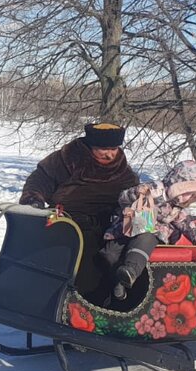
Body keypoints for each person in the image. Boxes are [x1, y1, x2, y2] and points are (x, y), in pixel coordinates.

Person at [19, 122, 139, 294]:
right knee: (85, 257)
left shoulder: (122, 169)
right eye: (103, 149)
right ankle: (73, 299)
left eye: (114, 149)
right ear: (91, 145)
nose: (110, 155)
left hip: (110, 224)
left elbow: (134, 195)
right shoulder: (68, 158)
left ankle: (110, 300)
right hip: (70, 220)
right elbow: (40, 179)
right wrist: (33, 200)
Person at [101, 159, 196, 302]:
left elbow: (188, 225)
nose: (187, 197)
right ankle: (116, 284)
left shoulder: (177, 210)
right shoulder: (154, 189)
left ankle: (131, 270)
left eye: (192, 195)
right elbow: (123, 198)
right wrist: (137, 194)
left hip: (150, 234)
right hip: (129, 227)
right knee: (110, 254)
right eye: (186, 192)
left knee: (146, 238)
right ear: (177, 185)